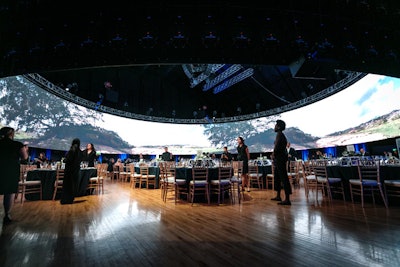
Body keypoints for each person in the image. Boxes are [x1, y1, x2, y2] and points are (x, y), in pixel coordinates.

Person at [0, 126, 29, 224]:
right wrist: (25, 149)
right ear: (11, 134)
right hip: (11, 171)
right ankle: (7, 215)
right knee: (9, 193)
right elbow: (25, 157)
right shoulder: (17, 144)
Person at [271, 120, 292, 205]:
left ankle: (287, 199)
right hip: (278, 159)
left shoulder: (280, 135)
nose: (274, 127)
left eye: (276, 125)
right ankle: (278, 196)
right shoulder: (279, 135)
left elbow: (276, 148)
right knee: (278, 178)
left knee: (283, 178)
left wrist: (273, 154)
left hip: (280, 159)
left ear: (279, 127)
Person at [60, 138, 82, 204]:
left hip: (69, 170)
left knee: (67, 185)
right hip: (76, 170)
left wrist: (64, 160)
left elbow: (68, 160)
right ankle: (71, 199)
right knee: (73, 185)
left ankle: (66, 200)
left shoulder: (72, 149)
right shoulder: (80, 151)